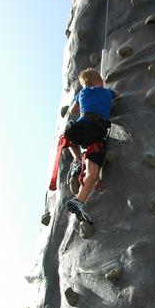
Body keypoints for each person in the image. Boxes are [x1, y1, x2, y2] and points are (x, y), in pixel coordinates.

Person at [64, 68, 115, 224]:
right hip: (96, 131)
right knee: (92, 174)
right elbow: (119, 95)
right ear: (100, 80)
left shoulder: (83, 93)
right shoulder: (107, 93)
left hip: (79, 128)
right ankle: (79, 199)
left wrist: (81, 98)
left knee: (69, 138)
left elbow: (73, 110)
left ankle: (77, 159)